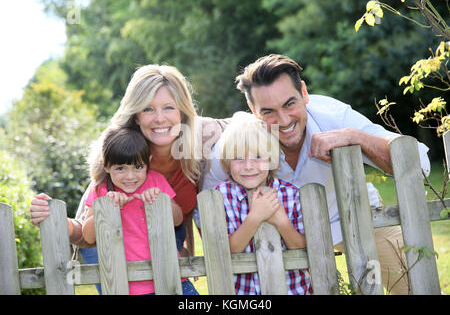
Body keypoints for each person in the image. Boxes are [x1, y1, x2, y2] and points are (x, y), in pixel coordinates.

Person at [200, 54, 431, 295]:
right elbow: (207, 214)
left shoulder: (334, 116)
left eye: (290, 104)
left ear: (303, 92)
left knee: (413, 283)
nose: (284, 120)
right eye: (269, 112)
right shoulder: (240, 146)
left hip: (353, 216)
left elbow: (419, 166)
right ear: (253, 110)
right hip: (280, 237)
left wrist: (355, 137)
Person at [29, 64, 228, 294]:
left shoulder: (201, 143)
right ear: (135, 116)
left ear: (182, 111)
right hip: (113, 254)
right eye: (148, 109)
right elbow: (86, 234)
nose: (160, 118)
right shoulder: (117, 163)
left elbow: (246, 126)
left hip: (164, 243)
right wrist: (54, 219)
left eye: (169, 107)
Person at [79, 126, 197, 295]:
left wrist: (162, 201)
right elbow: (89, 236)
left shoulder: (156, 181)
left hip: (171, 278)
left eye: (138, 167)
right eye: (120, 168)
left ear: (148, 161)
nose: (130, 176)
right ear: (106, 166)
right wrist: (106, 209)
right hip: (127, 286)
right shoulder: (102, 190)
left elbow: (178, 219)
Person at [216, 112, 312, 295]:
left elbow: (303, 249)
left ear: (271, 159)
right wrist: (255, 217)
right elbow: (227, 250)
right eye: (238, 158)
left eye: (258, 157)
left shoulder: (291, 195)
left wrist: (282, 221)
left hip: (293, 290)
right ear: (227, 162)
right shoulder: (222, 196)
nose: (248, 166)